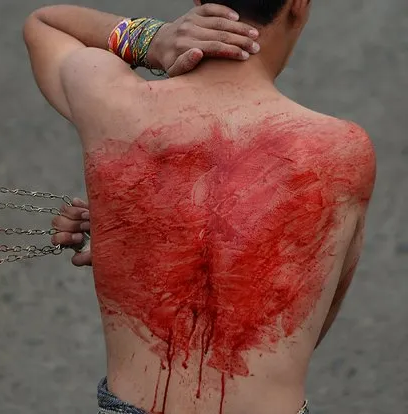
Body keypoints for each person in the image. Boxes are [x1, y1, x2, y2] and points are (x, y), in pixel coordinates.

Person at [24, 1, 377, 414]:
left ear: (199, 1)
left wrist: (153, 40)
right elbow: (307, 324)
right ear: (298, 4)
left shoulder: (113, 104)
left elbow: (45, 24)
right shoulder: (342, 151)